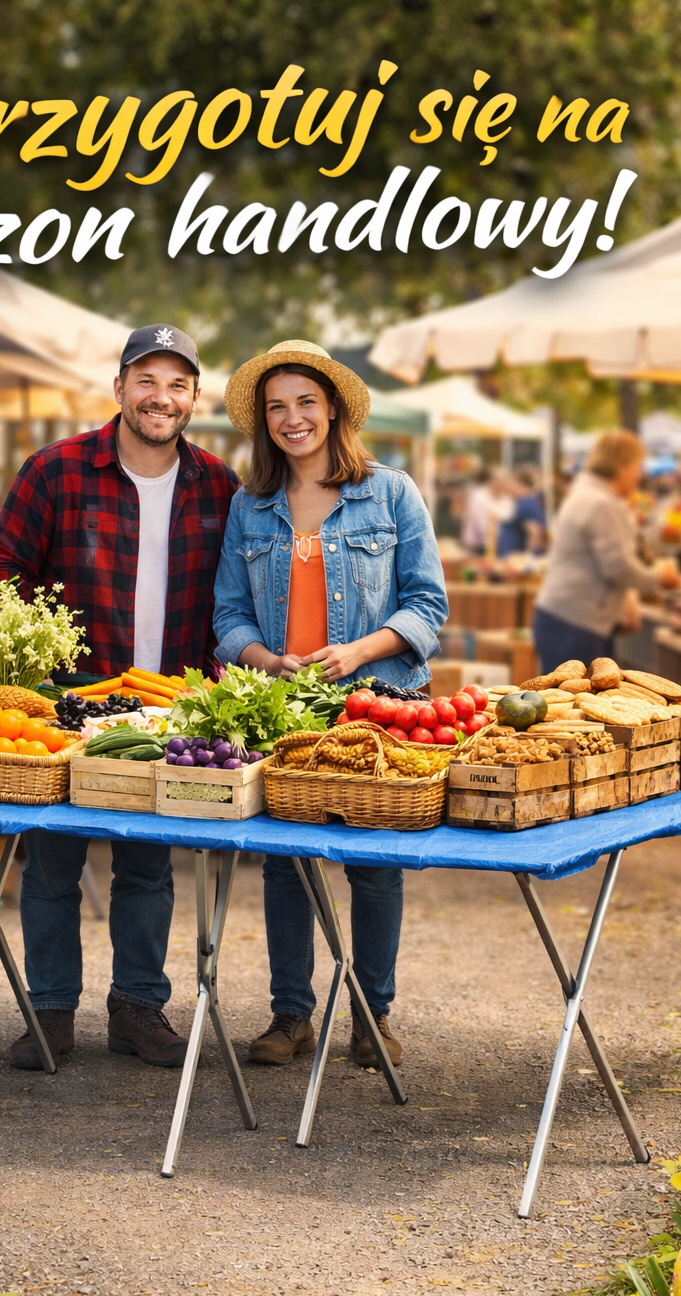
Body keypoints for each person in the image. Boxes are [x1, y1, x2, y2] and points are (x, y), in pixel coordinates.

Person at [0, 324, 238, 1071]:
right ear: (120, 387)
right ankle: (50, 1012)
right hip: (68, 706)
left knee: (147, 870)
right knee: (51, 866)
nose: (162, 397)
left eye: (177, 384)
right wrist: (35, 660)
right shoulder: (56, 471)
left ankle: (137, 1008)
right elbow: (0, 569)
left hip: (167, 709)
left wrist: (211, 689)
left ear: (194, 397)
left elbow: (236, 598)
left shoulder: (219, 485)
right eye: (147, 381)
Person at [214, 340, 448, 1068]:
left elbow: (427, 605)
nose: (292, 418)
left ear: (335, 409)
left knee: (374, 864)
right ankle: (291, 1017)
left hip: (377, 709)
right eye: (276, 407)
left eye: (306, 402)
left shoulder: (392, 493)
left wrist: (358, 652)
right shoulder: (249, 506)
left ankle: (373, 1017)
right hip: (286, 712)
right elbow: (229, 615)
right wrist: (265, 660)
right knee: (284, 864)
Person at [532, 429, 680, 674]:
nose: (639, 475)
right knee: (578, 696)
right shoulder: (600, 503)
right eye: (637, 466)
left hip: (568, 617)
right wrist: (657, 579)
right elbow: (617, 566)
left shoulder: (587, 494)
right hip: (577, 622)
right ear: (621, 466)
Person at [496, 466, 546, 556]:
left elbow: (535, 532)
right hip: (511, 558)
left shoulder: (526, 503)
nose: (508, 487)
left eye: (511, 483)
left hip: (517, 558)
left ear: (519, 483)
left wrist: (528, 557)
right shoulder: (522, 501)